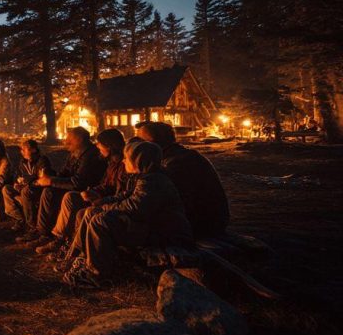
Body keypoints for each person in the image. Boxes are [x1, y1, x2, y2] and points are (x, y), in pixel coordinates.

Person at [61, 140, 194, 287]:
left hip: (163, 233)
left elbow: (135, 207)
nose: (123, 161)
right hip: (148, 226)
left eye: (127, 158)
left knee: (101, 221)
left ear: (138, 161)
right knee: (91, 212)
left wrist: (105, 207)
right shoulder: (143, 177)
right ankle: (80, 256)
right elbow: (125, 196)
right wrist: (102, 202)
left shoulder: (154, 181)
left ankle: (96, 275)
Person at [36, 128, 129, 257]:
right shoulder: (111, 163)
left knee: (72, 200)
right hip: (99, 196)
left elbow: (79, 182)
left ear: (109, 146)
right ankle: (56, 238)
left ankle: (64, 243)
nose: (97, 146)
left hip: (109, 201)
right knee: (57, 194)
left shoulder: (119, 163)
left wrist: (100, 198)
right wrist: (94, 191)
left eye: (99, 143)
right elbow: (105, 184)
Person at [135, 121, 230, 237]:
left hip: (201, 224)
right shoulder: (176, 155)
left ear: (151, 143)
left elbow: (163, 201)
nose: (136, 147)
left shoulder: (176, 163)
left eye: (140, 142)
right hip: (204, 220)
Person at [18, 127, 105, 248]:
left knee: (50, 192)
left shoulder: (89, 156)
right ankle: (39, 230)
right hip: (73, 186)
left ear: (78, 140)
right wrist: (48, 180)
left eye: (69, 139)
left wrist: (52, 181)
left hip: (85, 190)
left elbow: (78, 182)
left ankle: (46, 234)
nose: (65, 141)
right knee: (44, 190)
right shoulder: (75, 154)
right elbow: (64, 172)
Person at [2, 139, 53, 231]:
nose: (22, 152)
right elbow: (20, 176)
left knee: (26, 191)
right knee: (6, 189)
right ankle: (20, 218)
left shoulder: (42, 161)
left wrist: (26, 182)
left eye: (24, 149)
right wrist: (17, 183)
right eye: (21, 150)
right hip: (27, 186)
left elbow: (41, 178)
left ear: (33, 150)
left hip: (38, 189)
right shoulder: (23, 162)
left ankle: (31, 225)